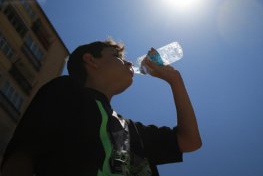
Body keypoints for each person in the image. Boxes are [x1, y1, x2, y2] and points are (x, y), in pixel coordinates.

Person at [1, 39, 202, 176]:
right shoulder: (67, 91)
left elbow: (190, 141)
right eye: (118, 56)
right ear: (91, 60)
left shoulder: (129, 130)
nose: (129, 63)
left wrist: (175, 80)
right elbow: (23, 155)